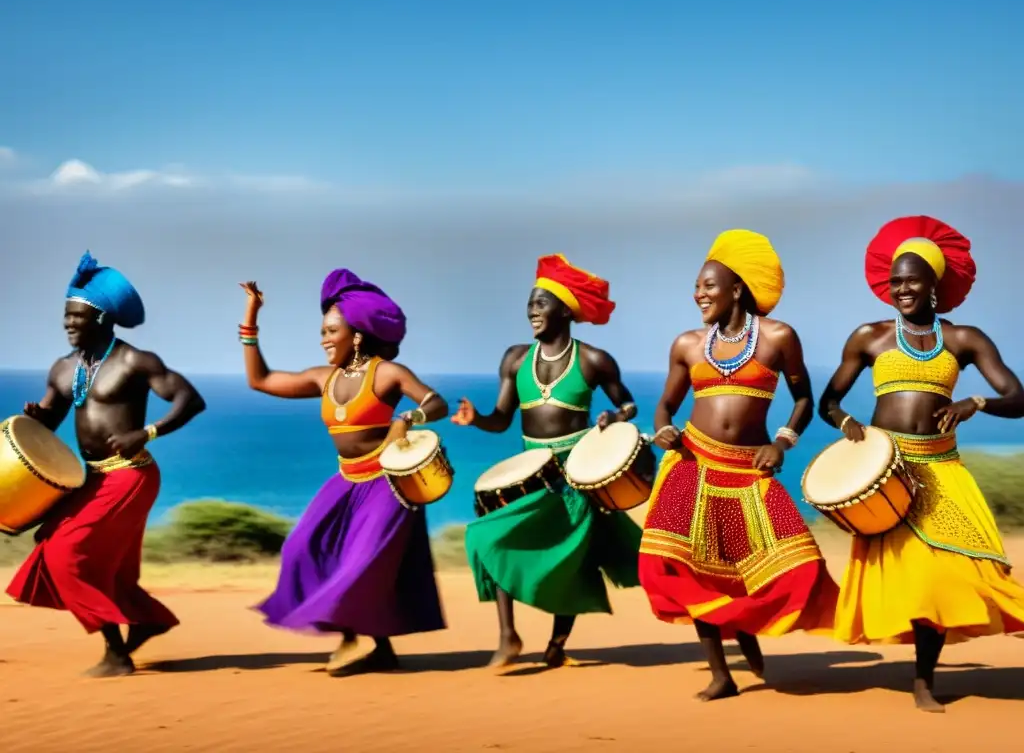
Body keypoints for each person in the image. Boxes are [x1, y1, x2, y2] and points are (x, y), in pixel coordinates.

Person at [818, 215, 1024, 712]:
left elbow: (1017, 397)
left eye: (912, 279)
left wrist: (975, 403)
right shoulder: (868, 337)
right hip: (886, 472)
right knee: (914, 579)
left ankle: (923, 674)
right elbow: (828, 402)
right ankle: (923, 682)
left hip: (942, 470)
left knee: (960, 570)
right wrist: (847, 424)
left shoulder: (963, 339)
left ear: (934, 282)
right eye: (895, 281)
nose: (902, 289)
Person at [639, 229, 840, 701]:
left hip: (751, 468)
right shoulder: (687, 344)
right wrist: (663, 430)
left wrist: (784, 442)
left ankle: (744, 625)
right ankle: (720, 674)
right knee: (676, 565)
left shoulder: (778, 337)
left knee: (797, 565)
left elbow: (804, 398)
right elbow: (665, 407)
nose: (699, 294)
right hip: (692, 461)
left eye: (709, 285)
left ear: (737, 288)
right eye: (697, 286)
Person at [7, 251, 207, 677]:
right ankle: (148, 619)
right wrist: (37, 419)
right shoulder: (63, 370)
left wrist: (147, 432)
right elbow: (51, 418)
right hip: (93, 478)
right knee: (70, 552)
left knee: (66, 556)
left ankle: (116, 654)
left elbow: (191, 399)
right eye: (64, 317)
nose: (67, 324)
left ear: (99, 319)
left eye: (75, 317)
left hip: (131, 475)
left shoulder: (136, 361)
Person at [241, 268, 448, 677]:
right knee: (300, 549)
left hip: (388, 484)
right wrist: (252, 317)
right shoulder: (323, 379)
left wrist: (409, 416)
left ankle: (351, 638)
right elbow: (259, 380)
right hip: (346, 482)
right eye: (321, 330)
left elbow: (436, 403)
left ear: (355, 335)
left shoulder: (388, 373)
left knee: (362, 565)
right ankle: (380, 648)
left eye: (330, 331)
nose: (322, 338)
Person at [451, 253, 643, 669]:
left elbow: (628, 403)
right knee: (486, 538)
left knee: (574, 562)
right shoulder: (515, 359)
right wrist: (476, 419)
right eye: (530, 303)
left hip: (576, 473)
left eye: (541, 302)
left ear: (565, 309)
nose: (532, 310)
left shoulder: (593, 360)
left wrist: (615, 416)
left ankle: (556, 645)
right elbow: (502, 419)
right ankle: (508, 636)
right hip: (531, 471)